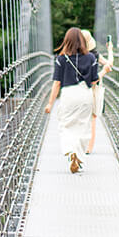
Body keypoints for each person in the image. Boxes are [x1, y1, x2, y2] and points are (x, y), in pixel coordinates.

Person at [44, 26, 99, 174]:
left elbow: (57, 83)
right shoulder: (91, 58)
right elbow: (94, 81)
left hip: (68, 94)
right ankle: (79, 156)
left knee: (65, 125)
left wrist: (50, 103)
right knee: (84, 127)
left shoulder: (61, 59)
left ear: (66, 41)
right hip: (85, 95)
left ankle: (70, 151)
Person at [81, 30, 113, 154]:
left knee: (80, 117)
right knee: (92, 118)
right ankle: (88, 148)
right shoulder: (94, 55)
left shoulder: (72, 56)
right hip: (93, 90)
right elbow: (109, 64)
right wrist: (110, 50)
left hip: (76, 89)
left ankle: (78, 145)